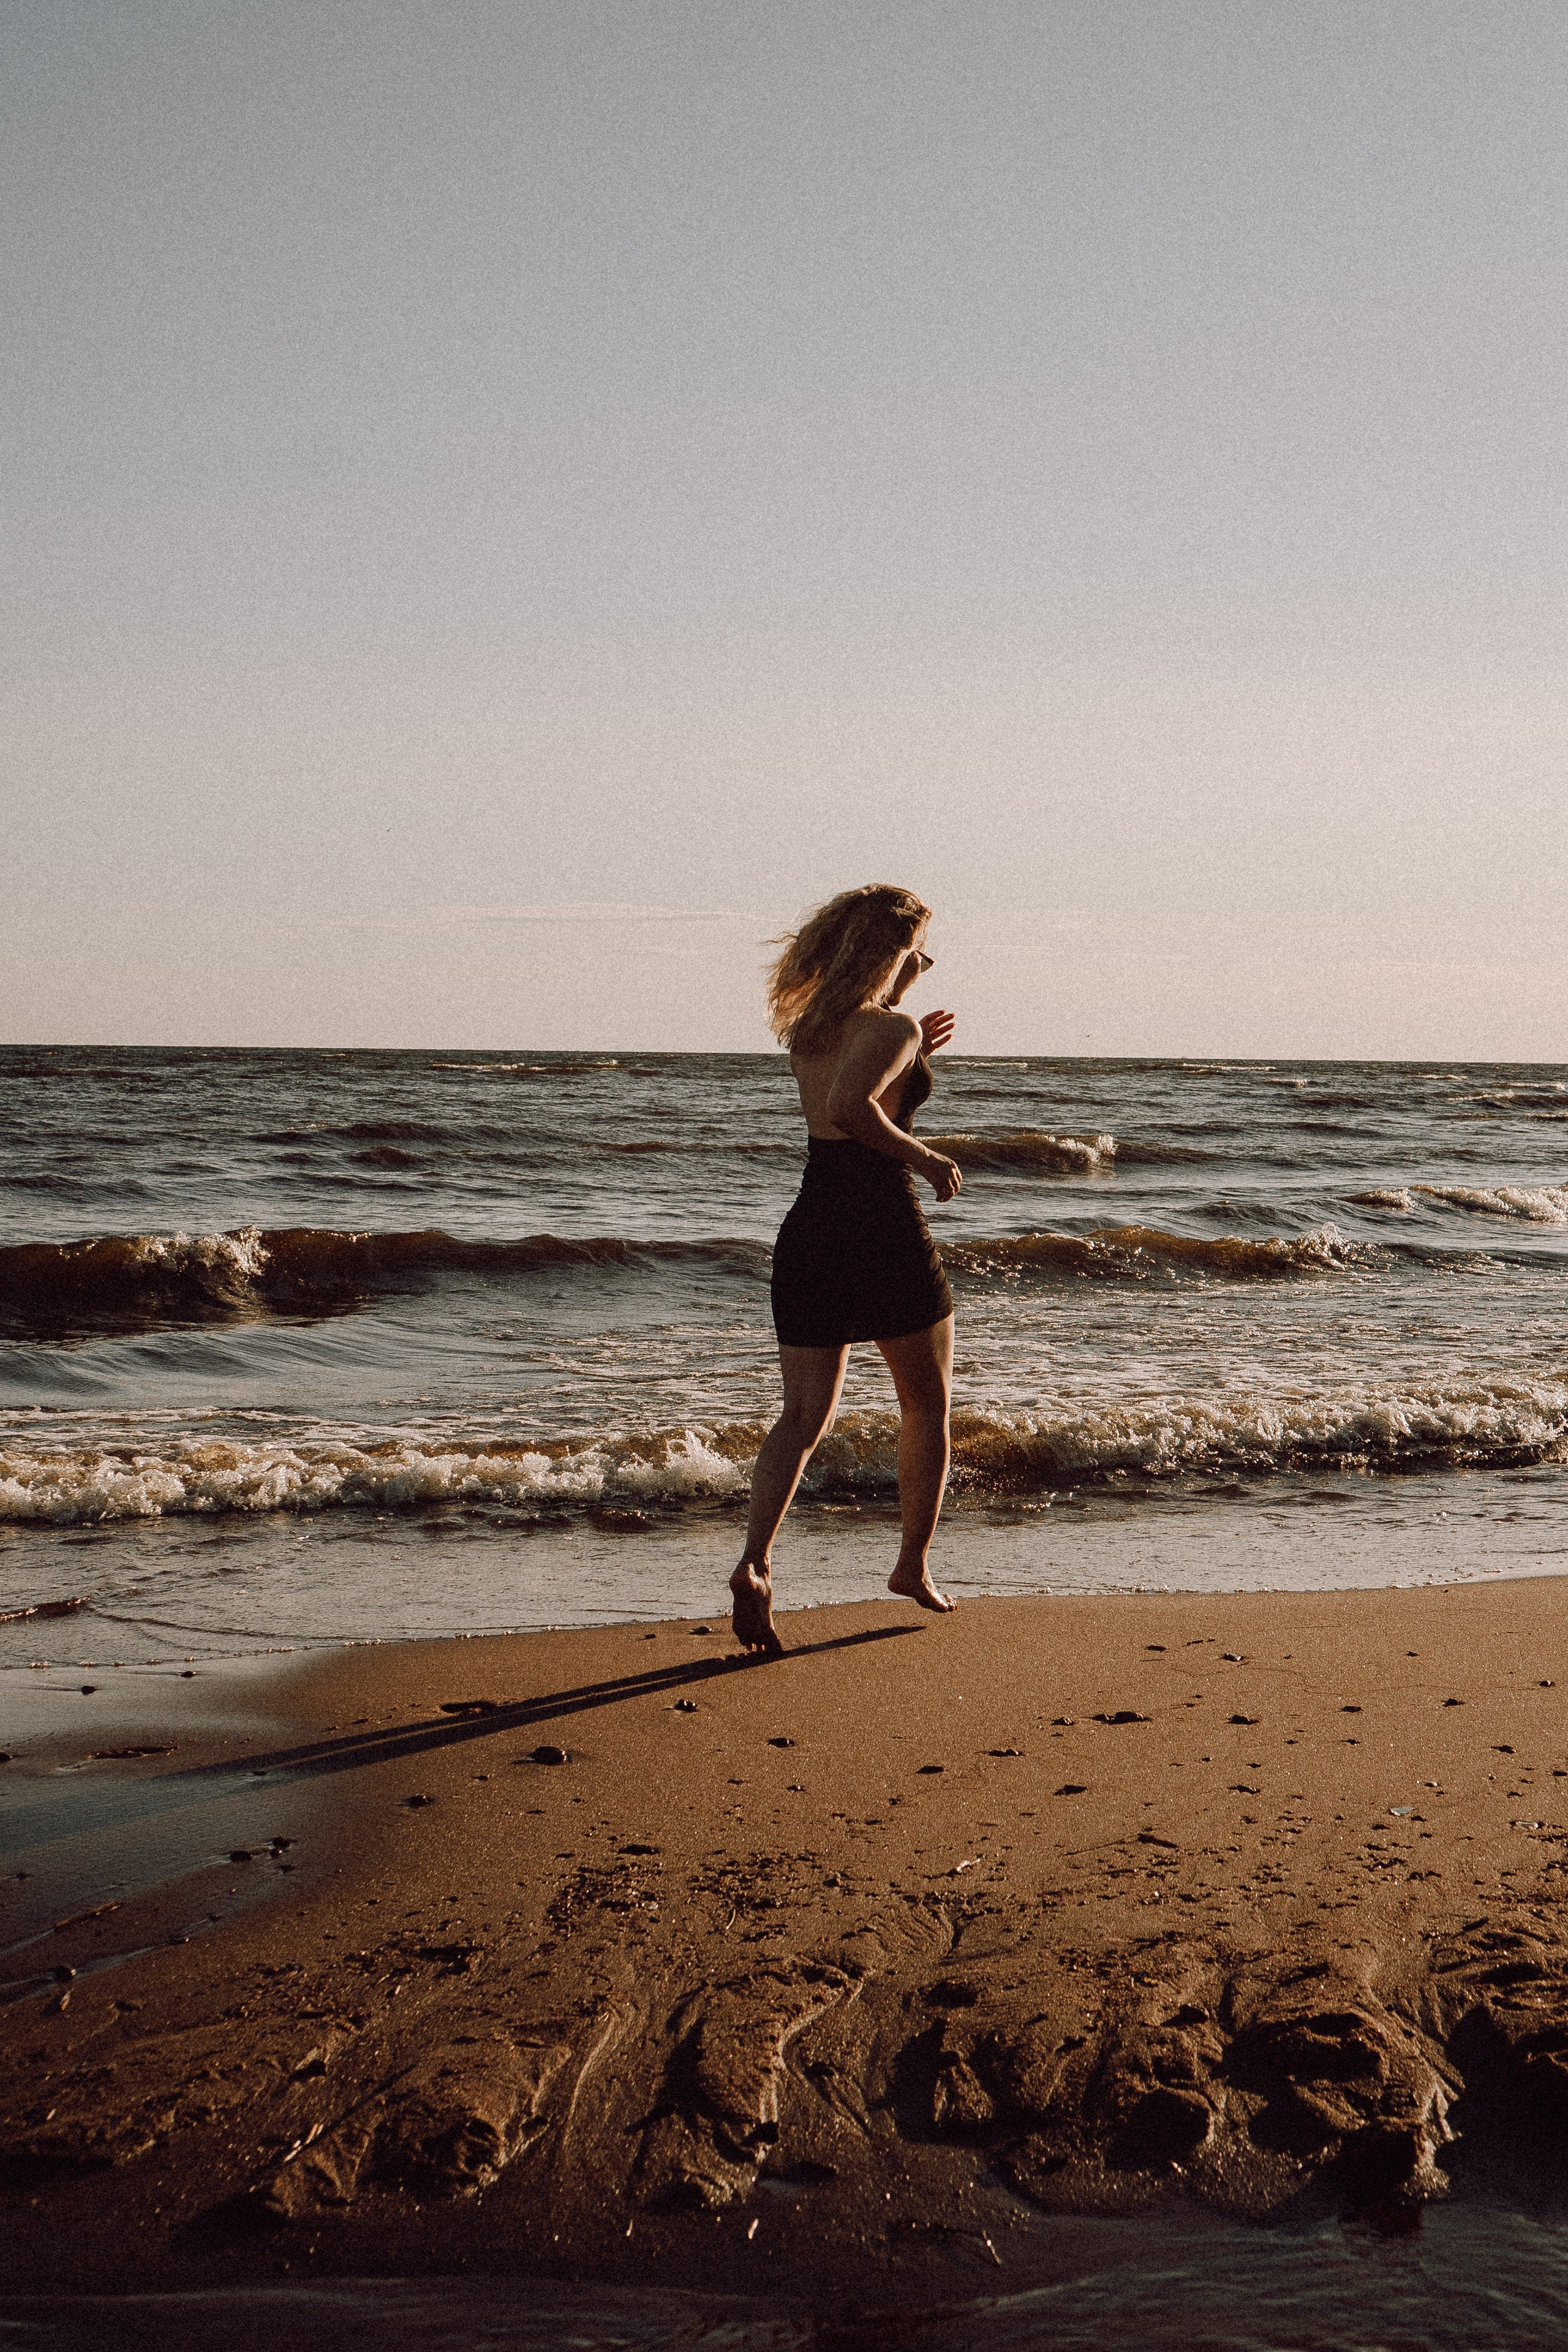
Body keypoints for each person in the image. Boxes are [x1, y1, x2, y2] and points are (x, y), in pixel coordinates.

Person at [730, 884, 963, 1657]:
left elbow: (852, 1076)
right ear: (889, 949)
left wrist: (911, 1036)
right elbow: (851, 1111)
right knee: (925, 1405)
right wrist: (928, 1156)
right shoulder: (887, 1026)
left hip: (810, 1227)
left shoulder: (813, 1025)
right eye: (916, 947)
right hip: (881, 1222)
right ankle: (911, 1566)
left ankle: (756, 1563)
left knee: (801, 1418)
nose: (923, 959)